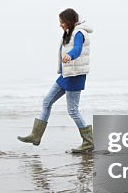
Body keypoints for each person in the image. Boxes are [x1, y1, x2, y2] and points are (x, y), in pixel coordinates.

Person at [18, 8, 94, 154]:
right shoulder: (68, 33)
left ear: (69, 21)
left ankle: (88, 141)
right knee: (46, 101)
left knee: (73, 110)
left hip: (75, 75)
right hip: (66, 74)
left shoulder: (79, 32)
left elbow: (77, 49)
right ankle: (36, 136)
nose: (60, 24)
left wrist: (70, 56)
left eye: (62, 22)